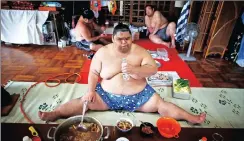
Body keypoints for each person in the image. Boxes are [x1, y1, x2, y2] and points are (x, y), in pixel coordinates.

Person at [39, 23, 206, 124]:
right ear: (113, 38)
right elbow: (93, 73)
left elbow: (153, 68)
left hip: (140, 97)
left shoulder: (140, 51)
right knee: (84, 101)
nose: (125, 42)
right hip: (106, 97)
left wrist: (136, 70)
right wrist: (90, 90)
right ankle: (55, 113)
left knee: (162, 105)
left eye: (128, 38)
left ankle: (190, 117)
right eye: (120, 39)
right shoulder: (103, 52)